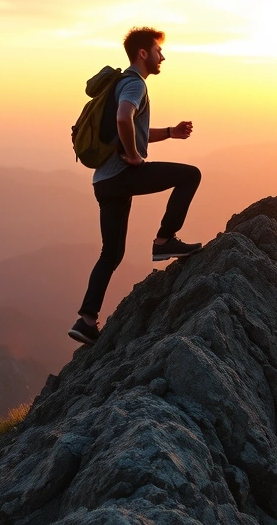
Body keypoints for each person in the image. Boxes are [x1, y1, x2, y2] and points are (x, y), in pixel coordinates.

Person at [69, 27, 203, 345]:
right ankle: (164, 241)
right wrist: (132, 156)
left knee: (111, 253)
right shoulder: (133, 84)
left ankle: (86, 321)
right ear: (143, 53)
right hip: (123, 175)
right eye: (158, 50)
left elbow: (135, 127)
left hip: (104, 182)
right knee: (191, 175)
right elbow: (123, 118)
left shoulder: (120, 84)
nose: (162, 56)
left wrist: (170, 131)